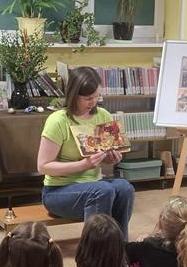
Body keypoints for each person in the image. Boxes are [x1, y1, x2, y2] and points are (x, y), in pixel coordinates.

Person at [38, 66, 135, 238]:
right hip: (57, 191)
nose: (93, 102)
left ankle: (120, 249)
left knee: (124, 188)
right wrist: (83, 165)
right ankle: (95, 255)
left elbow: (104, 157)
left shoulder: (102, 115)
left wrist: (111, 159)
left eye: (97, 96)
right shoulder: (58, 121)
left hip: (95, 185)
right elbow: (43, 166)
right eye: (88, 98)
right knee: (103, 190)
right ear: (74, 95)